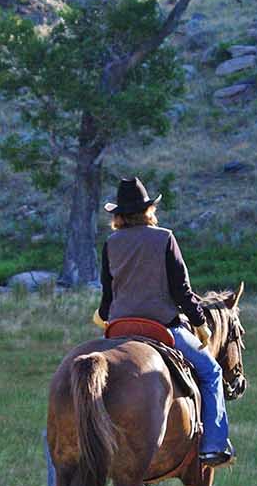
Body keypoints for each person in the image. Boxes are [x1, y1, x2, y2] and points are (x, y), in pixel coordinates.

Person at [96, 176, 234, 466]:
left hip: (119, 327)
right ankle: (213, 445)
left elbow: (108, 293)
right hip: (161, 326)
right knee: (211, 373)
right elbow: (181, 290)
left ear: (118, 214)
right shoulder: (164, 238)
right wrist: (201, 323)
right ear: (148, 211)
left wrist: (105, 317)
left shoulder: (111, 243)